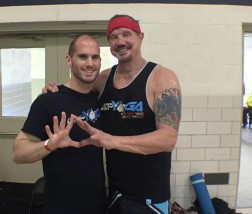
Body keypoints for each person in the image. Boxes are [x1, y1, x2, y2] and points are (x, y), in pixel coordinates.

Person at [44, 14, 182, 214]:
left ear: (140, 37)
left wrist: (111, 141)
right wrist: (53, 91)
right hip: (113, 193)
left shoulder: (162, 78)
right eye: (114, 37)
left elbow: (168, 139)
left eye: (127, 34)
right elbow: (76, 94)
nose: (120, 41)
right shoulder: (103, 79)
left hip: (150, 195)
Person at [12, 34, 106, 214]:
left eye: (95, 57)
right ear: (69, 60)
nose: (90, 63)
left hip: (98, 204)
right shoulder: (48, 102)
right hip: (60, 206)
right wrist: (50, 145)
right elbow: (18, 153)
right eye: (82, 56)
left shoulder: (100, 99)